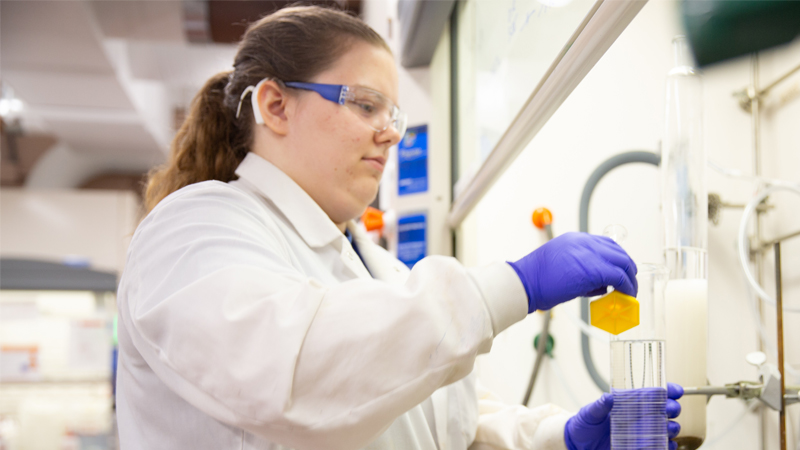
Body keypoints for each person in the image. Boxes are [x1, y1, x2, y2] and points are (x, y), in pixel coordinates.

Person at [116, 5, 682, 450]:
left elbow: (430, 418)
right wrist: (514, 285)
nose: (390, 134)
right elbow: (302, 375)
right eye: (364, 104)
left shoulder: (375, 265)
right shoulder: (193, 230)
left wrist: (554, 438)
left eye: (394, 114)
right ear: (276, 106)